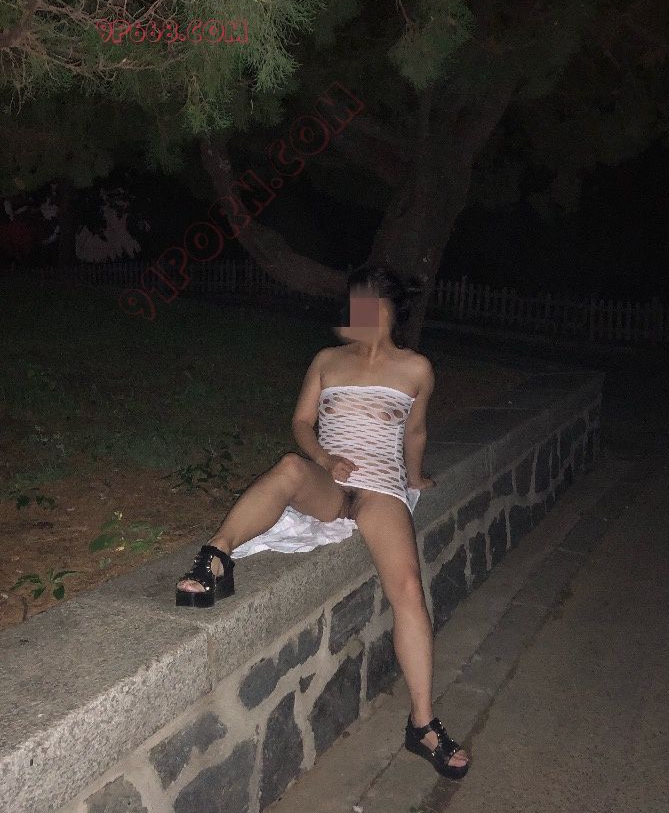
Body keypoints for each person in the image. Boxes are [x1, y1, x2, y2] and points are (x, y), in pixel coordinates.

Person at [175, 266, 470, 779]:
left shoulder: (416, 367)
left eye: (365, 304)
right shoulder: (327, 360)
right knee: (290, 468)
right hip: (329, 481)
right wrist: (324, 459)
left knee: (407, 588)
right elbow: (301, 422)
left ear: (386, 310)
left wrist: (415, 477)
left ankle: (423, 724)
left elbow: (415, 432)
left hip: (380, 489)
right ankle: (216, 556)